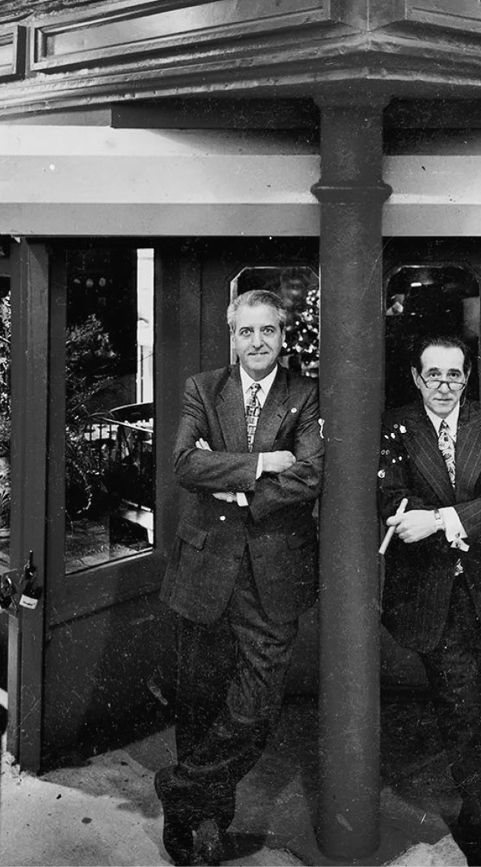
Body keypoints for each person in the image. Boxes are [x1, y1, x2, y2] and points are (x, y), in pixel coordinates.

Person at [155, 289, 323, 866]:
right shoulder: (204, 389)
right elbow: (184, 463)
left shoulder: (305, 392)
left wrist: (237, 488)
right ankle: (200, 823)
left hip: (273, 573)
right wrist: (263, 464)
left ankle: (180, 787)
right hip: (205, 566)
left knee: (256, 703)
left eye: (268, 330)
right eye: (246, 332)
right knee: (199, 698)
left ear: (283, 334)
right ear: (233, 336)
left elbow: (312, 474)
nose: (257, 342)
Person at [379, 334, 481, 867]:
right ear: (417, 378)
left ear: (467, 378)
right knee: (463, 709)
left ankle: (477, 809)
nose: (444, 385)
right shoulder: (394, 426)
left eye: (454, 375)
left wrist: (441, 519)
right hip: (433, 595)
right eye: (433, 375)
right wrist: (475, 523)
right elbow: (394, 506)